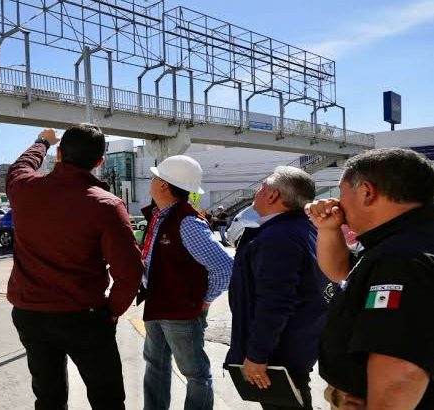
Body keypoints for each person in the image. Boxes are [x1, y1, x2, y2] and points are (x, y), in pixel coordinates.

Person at [6, 125, 143, 410]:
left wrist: (40, 142)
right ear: (99, 162)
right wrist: (112, 311)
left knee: (49, 398)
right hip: (85, 317)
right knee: (107, 399)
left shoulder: (23, 188)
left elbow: (21, 165)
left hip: (31, 314)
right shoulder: (106, 205)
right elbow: (129, 273)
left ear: (59, 155)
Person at [305, 148, 434, 410]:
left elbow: (400, 371)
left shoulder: (401, 259)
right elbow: (341, 271)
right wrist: (329, 229)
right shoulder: (402, 239)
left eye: (342, 193)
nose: (338, 203)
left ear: (366, 191)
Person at [225, 166, 330, 410]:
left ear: (272, 195)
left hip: (278, 355)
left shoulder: (277, 238)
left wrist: (257, 355)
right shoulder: (304, 228)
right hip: (298, 344)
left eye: (261, 187)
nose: (257, 193)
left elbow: (275, 302)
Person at [139, 155, 234, 410]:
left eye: (155, 176)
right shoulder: (161, 215)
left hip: (180, 311)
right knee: (155, 366)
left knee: (195, 374)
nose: (152, 180)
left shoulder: (187, 222)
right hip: (158, 304)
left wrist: (203, 302)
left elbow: (225, 267)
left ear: (164, 185)